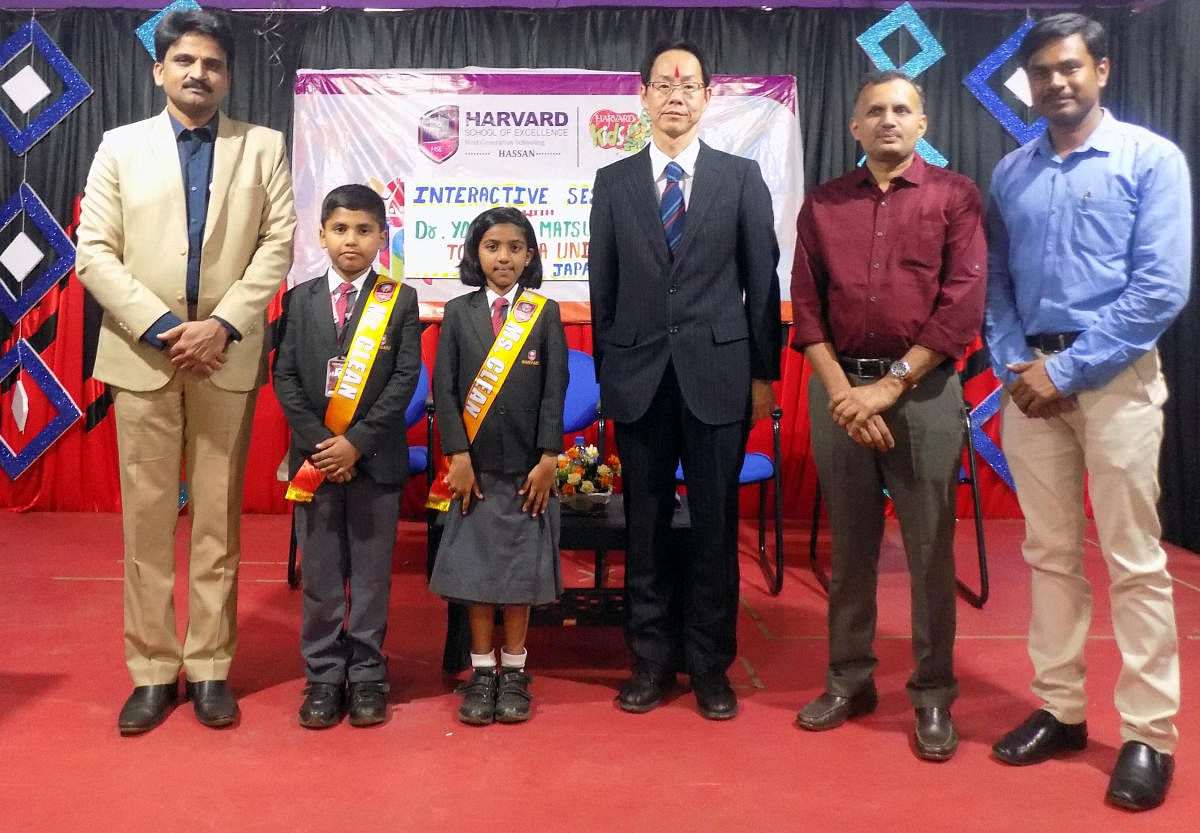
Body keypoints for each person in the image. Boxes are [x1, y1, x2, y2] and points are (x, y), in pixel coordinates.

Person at [984, 13, 1191, 811]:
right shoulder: (1011, 172)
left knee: (1135, 560)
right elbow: (996, 279)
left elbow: (1160, 288)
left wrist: (1065, 369)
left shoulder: (1151, 159)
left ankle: (1148, 733)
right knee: (1049, 553)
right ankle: (1062, 708)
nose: (1056, 83)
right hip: (1030, 381)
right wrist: (1015, 365)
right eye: (1041, 73)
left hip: (1116, 381)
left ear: (1101, 70)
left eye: (1069, 68)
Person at [75, 8, 296, 734]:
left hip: (224, 355)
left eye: (213, 63)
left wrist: (222, 326)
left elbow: (277, 245)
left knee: (216, 522)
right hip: (144, 354)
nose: (199, 72)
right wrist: (169, 329)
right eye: (186, 61)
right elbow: (94, 253)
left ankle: (207, 666)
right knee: (145, 523)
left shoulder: (262, 147)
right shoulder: (118, 146)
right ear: (159, 70)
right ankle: (149, 670)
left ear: (228, 75)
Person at [790, 71, 986, 760]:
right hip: (839, 388)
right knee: (851, 548)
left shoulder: (955, 197)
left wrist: (890, 386)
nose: (888, 120)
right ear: (854, 127)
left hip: (924, 394)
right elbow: (806, 310)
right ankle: (850, 678)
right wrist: (846, 392)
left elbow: (960, 306)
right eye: (874, 110)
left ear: (923, 124)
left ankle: (932, 694)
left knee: (930, 550)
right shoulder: (821, 205)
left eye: (902, 109)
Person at [588, 40, 782, 720]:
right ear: (643, 96)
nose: (676, 94)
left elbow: (763, 285)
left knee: (714, 527)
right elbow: (601, 288)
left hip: (718, 377)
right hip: (639, 378)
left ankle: (708, 663)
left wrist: (764, 375)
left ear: (707, 97)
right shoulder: (613, 184)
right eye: (663, 84)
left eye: (689, 84)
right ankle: (648, 660)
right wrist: (611, 374)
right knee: (643, 524)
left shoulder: (739, 178)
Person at [272, 184, 421, 728]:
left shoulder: (399, 301)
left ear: (382, 236)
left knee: (373, 575)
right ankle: (322, 676)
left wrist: (356, 442)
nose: (350, 241)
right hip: (315, 463)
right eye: (340, 229)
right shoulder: (299, 298)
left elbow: (404, 379)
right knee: (321, 575)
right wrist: (322, 443)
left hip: (374, 461)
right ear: (321, 235)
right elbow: (284, 376)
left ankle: (367, 676)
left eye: (363, 230)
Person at [429, 206, 568, 726]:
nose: (503, 256)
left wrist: (550, 456)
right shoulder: (459, 312)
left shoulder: (544, 311)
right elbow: (444, 390)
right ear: (476, 254)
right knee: (479, 575)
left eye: (514, 247)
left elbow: (556, 387)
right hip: (476, 472)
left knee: (519, 577)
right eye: (493, 247)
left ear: (530, 255)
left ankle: (515, 671)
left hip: (529, 470)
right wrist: (457, 456)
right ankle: (481, 671)